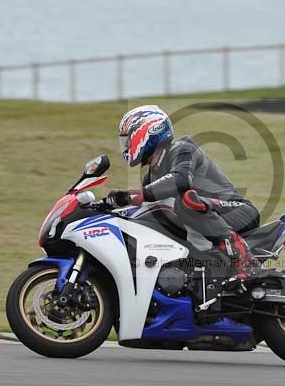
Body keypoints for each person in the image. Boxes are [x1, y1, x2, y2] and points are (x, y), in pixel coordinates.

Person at [105, 105, 260, 280]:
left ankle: (242, 256)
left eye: (128, 140)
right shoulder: (149, 177)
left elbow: (180, 180)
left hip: (238, 211)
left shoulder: (182, 149)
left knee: (187, 200)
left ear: (147, 131)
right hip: (205, 224)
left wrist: (133, 196)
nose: (126, 147)